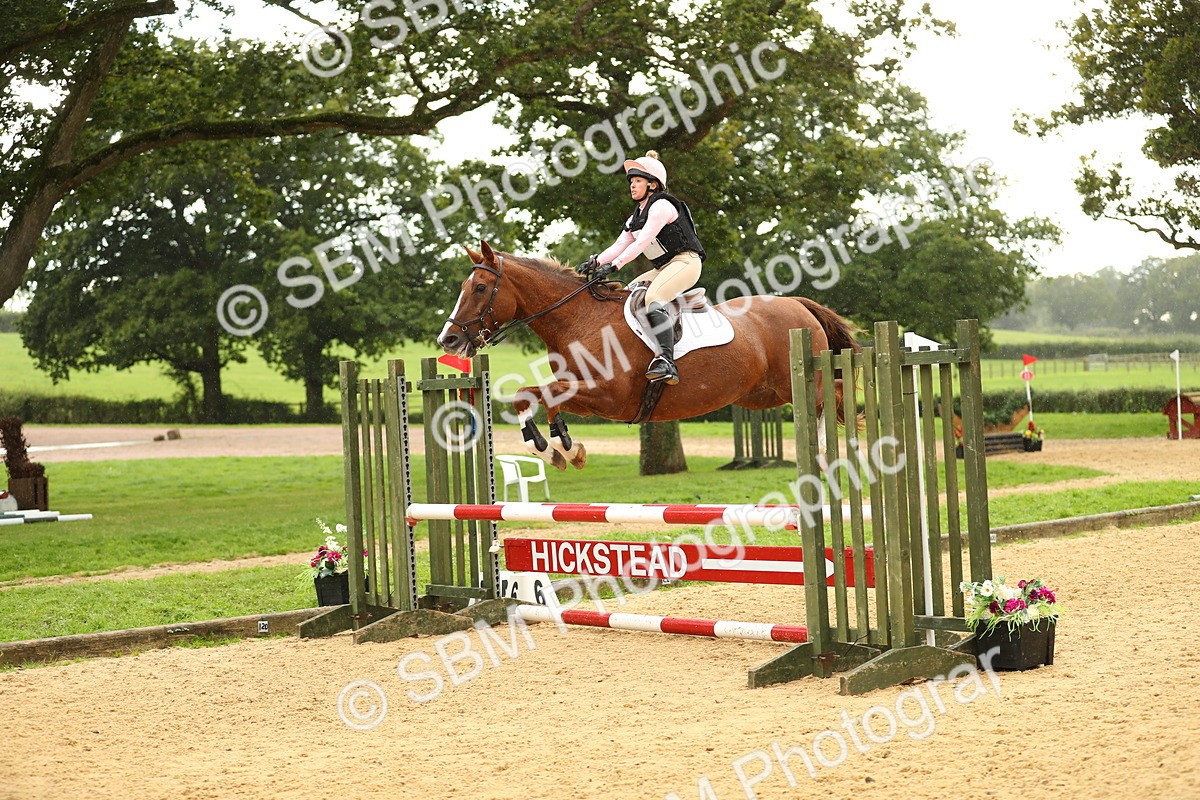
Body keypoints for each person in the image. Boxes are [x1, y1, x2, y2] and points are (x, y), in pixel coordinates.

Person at [578, 150, 706, 385]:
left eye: (638, 181)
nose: (633, 186)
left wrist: (615, 266)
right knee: (629, 294)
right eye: (632, 182)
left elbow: (642, 242)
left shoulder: (662, 206)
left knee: (654, 297)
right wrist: (595, 262)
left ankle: (667, 361)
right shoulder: (634, 217)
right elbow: (619, 244)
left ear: (653, 185)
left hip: (686, 262)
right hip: (664, 267)